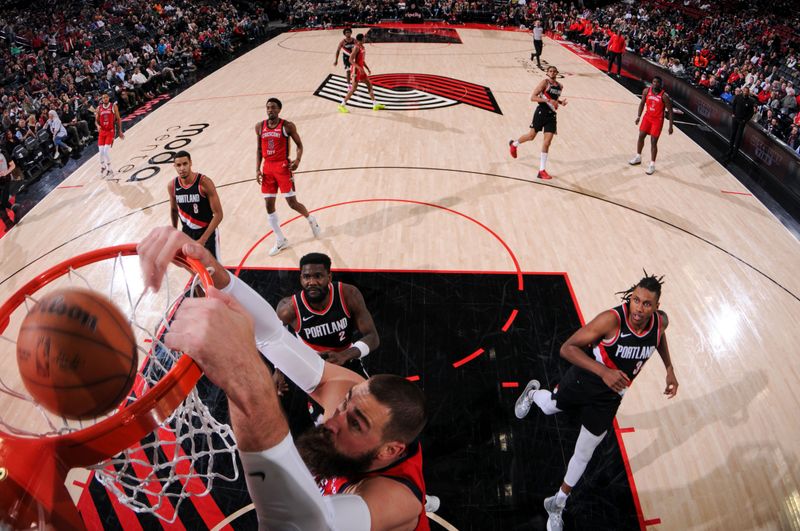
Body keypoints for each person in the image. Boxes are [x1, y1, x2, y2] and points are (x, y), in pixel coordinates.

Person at [138, 226, 430, 531]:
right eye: (344, 406)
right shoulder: (348, 394)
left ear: (390, 451)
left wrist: (244, 376)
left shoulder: (395, 498)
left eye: (355, 424)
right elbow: (273, 338)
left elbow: (303, 526)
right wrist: (212, 269)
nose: (333, 420)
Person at [514, 273, 679, 531]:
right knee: (549, 407)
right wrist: (603, 372)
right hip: (586, 378)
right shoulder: (611, 320)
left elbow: (657, 337)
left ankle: (558, 502)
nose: (639, 307)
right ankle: (533, 393)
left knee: (584, 452)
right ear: (631, 298)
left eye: (647, 304)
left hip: (611, 396)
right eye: (636, 300)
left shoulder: (660, 323)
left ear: (657, 307)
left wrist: (669, 368)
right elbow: (567, 348)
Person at [277, 252, 379, 376]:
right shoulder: (288, 309)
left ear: (329, 277)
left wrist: (344, 355)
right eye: (307, 277)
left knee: (364, 394)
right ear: (301, 279)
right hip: (312, 364)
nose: (312, 282)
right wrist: (278, 370)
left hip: (347, 356)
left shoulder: (348, 294)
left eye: (318, 276)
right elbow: (275, 338)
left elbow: (372, 336)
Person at [255, 97, 322, 256]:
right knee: (268, 205)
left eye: (273, 107)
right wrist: (257, 169)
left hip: (283, 167)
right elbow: (258, 149)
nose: (270, 110)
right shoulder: (259, 127)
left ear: (279, 110)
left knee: (292, 203)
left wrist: (298, 160)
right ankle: (280, 240)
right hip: (268, 168)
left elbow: (299, 145)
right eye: (268, 107)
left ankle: (311, 219)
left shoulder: (287, 126)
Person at [509, 65, 567, 180]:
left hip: (552, 115)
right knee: (531, 136)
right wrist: (547, 100)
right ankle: (514, 144)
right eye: (550, 71)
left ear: (557, 73)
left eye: (554, 71)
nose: (552, 73)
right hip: (541, 112)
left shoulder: (560, 86)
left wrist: (560, 102)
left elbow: (554, 99)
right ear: (547, 73)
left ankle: (541, 171)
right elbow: (533, 97)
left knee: (547, 142)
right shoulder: (544, 83)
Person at [168, 150, 223, 259]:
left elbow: (218, 214)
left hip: (207, 232)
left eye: (185, 164)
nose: (182, 168)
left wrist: (203, 239)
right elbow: (174, 210)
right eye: (178, 165)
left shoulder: (204, 183)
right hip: (187, 233)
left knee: (216, 270)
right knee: (195, 267)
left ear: (190, 163)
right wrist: (174, 232)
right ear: (174, 166)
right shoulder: (172, 185)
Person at [629, 76, 673, 175]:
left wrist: (670, 126)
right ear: (651, 82)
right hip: (647, 117)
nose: (655, 84)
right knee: (641, 136)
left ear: (661, 84)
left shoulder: (664, 96)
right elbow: (642, 103)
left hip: (657, 120)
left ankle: (652, 165)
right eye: (654, 82)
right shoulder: (646, 91)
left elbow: (670, 111)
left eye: (658, 82)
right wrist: (638, 116)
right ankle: (638, 157)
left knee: (653, 142)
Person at [338, 33, 386, 113]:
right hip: (356, 70)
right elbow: (350, 60)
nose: (365, 39)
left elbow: (362, 60)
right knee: (353, 89)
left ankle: (374, 104)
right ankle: (342, 105)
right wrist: (358, 67)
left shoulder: (362, 47)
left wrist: (367, 68)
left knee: (369, 85)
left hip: (361, 70)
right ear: (361, 39)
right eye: (364, 38)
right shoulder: (356, 47)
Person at [723, 86, 756, 164]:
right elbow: (733, 105)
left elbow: (751, 113)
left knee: (738, 138)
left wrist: (745, 120)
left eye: (746, 91)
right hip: (735, 119)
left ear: (748, 92)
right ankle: (730, 149)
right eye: (744, 91)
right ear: (742, 91)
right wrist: (733, 113)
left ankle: (735, 154)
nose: (745, 92)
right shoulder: (738, 97)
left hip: (742, 121)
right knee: (733, 134)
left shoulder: (751, 101)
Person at [95, 92, 124, 179]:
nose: (105, 99)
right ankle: (103, 167)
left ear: (108, 98)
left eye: (106, 97)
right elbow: (96, 121)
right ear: (102, 99)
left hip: (110, 131)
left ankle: (110, 170)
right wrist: (97, 125)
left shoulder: (113, 106)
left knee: (106, 152)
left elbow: (119, 119)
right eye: (103, 98)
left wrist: (120, 131)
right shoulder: (99, 108)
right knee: (100, 152)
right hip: (102, 132)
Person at [0, 149, 17, 229]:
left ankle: (9, 223)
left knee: (1, 206)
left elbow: (13, 165)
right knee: (4, 202)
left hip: (5, 181)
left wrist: (6, 172)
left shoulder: (3, 152)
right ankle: (16, 208)